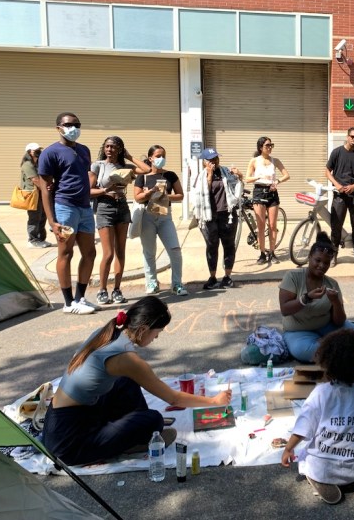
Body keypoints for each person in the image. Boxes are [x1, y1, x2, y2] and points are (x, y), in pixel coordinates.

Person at [42, 296, 232, 466]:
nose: (156, 338)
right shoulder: (127, 359)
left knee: (125, 382)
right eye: (157, 332)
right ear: (142, 330)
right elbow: (174, 399)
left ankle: (134, 432)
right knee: (153, 419)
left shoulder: (107, 333)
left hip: (62, 419)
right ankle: (135, 437)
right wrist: (214, 402)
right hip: (68, 444)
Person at [280, 328, 354, 505]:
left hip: (324, 469)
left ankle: (321, 479)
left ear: (326, 361)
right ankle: (347, 477)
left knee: (306, 457)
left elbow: (303, 428)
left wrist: (288, 449)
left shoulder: (321, 392)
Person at [278, 231, 354, 363]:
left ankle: (344, 342)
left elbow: (339, 321)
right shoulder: (292, 277)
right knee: (303, 351)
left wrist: (335, 302)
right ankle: (352, 350)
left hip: (326, 325)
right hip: (298, 330)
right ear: (309, 257)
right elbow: (285, 310)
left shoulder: (332, 284)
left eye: (326, 263)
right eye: (317, 260)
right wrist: (306, 298)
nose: (321, 266)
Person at [38, 112, 98, 315]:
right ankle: (68, 302)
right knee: (66, 252)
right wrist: (52, 221)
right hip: (65, 207)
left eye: (77, 124)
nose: (74, 128)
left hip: (84, 208)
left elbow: (86, 175)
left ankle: (81, 297)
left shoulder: (84, 150)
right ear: (58, 128)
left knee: (90, 253)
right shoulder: (50, 153)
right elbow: (45, 189)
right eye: (69, 124)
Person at [90, 136, 151, 305]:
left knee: (120, 252)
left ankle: (117, 289)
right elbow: (89, 191)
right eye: (107, 146)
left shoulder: (125, 167)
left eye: (113, 147)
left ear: (119, 150)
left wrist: (129, 157)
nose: (109, 149)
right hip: (104, 208)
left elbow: (146, 170)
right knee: (108, 253)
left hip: (122, 207)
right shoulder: (98, 165)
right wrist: (105, 190)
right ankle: (102, 290)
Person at [133, 145, 188, 296]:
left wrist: (165, 196)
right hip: (147, 216)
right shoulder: (142, 177)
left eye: (163, 155)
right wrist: (150, 192)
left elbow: (181, 195)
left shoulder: (170, 175)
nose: (161, 159)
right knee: (149, 252)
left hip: (165, 216)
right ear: (150, 158)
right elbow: (137, 197)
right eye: (158, 156)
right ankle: (151, 282)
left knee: (175, 250)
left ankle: (176, 283)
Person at [192, 148, 243, 290]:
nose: (214, 162)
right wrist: (209, 175)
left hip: (227, 214)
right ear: (204, 162)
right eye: (210, 160)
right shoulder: (200, 177)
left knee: (229, 245)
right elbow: (203, 194)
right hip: (209, 217)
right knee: (212, 246)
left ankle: (227, 277)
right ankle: (213, 277)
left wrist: (239, 175)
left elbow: (238, 185)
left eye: (216, 159)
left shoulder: (226, 172)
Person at [325, 127, 354, 267]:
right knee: (336, 226)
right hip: (339, 195)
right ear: (347, 136)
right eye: (352, 136)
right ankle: (333, 255)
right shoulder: (337, 152)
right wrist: (337, 185)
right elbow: (327, 171)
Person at [245, 136, 290, 265]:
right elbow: (247, 178)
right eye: (267, 145)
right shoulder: (254, 161)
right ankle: (262, 253)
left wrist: (277, 181)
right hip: (259, 192)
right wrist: (257, 177)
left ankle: (272, 252)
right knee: (260, 226)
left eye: (271, 145)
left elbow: (286, 175)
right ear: (260, 148)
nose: (270, 147)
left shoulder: (275, 160)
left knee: (272, 225)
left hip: (272, 193)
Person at [20, 142, 52, 248]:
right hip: (33, 195)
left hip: (41, 193)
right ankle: (32, 240)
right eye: (36, 150)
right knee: (35, 217)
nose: (39, 152)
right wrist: (46, 188)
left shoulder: (38, 163)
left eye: (39, 150)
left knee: (43, 216)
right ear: (29, 152)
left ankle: (41, 239)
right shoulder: (27, 164)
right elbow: (35, 180)